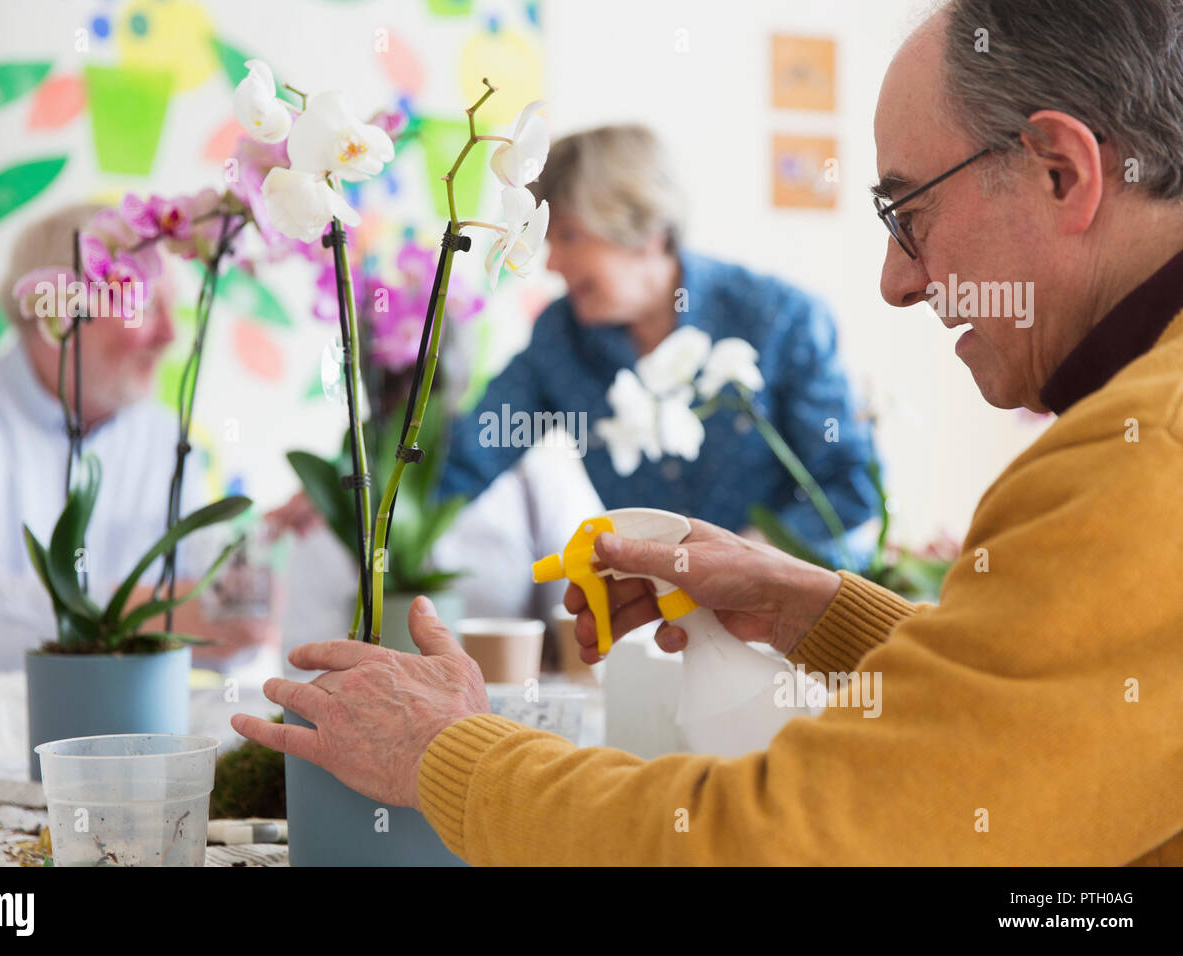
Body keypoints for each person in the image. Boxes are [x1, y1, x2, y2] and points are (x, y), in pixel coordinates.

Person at [233, 0, 1183, 865]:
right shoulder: (560, 345)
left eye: (910, 213)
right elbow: (1017, 723)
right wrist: (815, 608)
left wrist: (445, 754)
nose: (897, 281)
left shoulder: (1132, 461)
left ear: (1063, 173)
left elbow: (773, 845)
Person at [439, 124, 881, 566]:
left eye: (569, 237)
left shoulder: (780, 319)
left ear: (645, 230)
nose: (552, 264)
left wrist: (742, 558)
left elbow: (851, 488)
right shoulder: (559, 337)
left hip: (788, 617)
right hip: (655, 624)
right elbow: (470, 457)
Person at [0, 204, 277, 673]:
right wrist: (144, 616)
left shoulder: (162, 436)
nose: (171, 335)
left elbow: (220, 622)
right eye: (145, 305)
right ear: (61, 309)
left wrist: (262, 550)